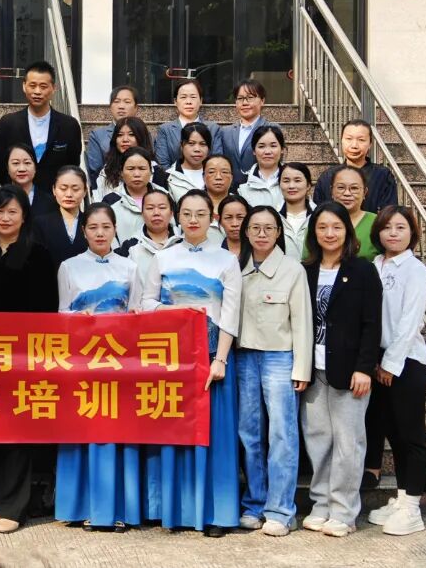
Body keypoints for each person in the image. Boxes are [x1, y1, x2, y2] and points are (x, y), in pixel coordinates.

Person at [140, 189, 241, 537]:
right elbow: (146, 303)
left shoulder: (226, 260)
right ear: (177, 217)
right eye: (187, 213)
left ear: (212, 218)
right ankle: (170, 510)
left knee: (214, 436)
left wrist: (221, 359)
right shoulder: (163, 258)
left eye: (201, 213)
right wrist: (179, 312)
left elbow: (230, 315)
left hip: (212, 356)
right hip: (170, 357)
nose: (193, 220)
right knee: (172, 430)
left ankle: (215, 513)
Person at [0, 185, 59, 534]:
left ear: (24, 216)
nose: (5, 218)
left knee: (18, 431)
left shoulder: (39, 255)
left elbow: (47, 310)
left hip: (24, 356)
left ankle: (14, 506)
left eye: (12, 212)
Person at [55, 203, 143, 533]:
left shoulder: (130, 267)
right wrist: (77, 319)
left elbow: (137, 313)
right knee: (83, 431)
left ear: (115, 229)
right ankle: (80, 507)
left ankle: (120, 509)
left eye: (106, 227)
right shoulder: (69, 267)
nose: (100, 233)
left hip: (119, 363)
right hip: (82, 361)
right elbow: (61, 314)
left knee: (118, 433)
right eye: (93, 227)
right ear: (84, 231)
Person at [301, 201, 383, 537]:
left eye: (336, 227)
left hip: (350, 371)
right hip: (313, 370)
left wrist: (364, 367)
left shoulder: (363, 271)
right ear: (314, 233)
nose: (329, 233)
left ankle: (344, 511)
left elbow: (372, 324)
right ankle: (321, 503)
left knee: (349, 442)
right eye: (322, 227)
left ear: (347, 232)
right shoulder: (305, 271)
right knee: (318, 440)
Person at [235, 205, 313, 537]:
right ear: (246, 232)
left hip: (280, 358)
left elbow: (303, 322)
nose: (262, 234)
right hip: (244, 357)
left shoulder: (292, 270)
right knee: (249, 433)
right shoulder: (236, 267)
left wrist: (302, 368)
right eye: (255, 227)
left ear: (279, 233)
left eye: (269, 228)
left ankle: (281, 509)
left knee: (282, 433)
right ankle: (254, 503)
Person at [363, 207, 426, 536]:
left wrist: (391, 364)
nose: (393, 233)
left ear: (412, 233)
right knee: (392, 431)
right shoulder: (375, 264)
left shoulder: (415, 270)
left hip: (406, 361)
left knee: (411, 434)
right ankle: (402, 497)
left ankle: (413, 507)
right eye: (387, 227)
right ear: (377, 232)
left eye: (401, 227)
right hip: (377, 358)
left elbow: (410, 321)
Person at [0, 61, 82, 192]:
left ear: (54, 88)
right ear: (24, 86)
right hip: (18, 197)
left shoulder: (69, 125)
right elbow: (1, 166)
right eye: (32, 85)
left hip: (55, 199)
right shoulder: (8, 123)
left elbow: (72, 166)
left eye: (43, 86)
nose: (37, 91)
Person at [313, 119, 399, 213]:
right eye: (349, 139)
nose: (354, 145)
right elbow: (318, 213)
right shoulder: (327, 176)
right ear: (341, 141)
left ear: (370, 144)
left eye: (361, 140)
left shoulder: (383, 175)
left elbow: (389, 214)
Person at [102, 147, 164, 245]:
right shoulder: (111, 201)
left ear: (151, 171)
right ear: (121, 172)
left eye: (142, 168)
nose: (137, 174)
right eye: (130, 169)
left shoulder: (164, 196)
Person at [154, 80, 221, 169]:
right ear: (175, 101)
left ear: (201, 100)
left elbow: (217, 161)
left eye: (193, 97)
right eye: (183, 97)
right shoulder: (165, 130)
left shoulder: (213, 128)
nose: (188, 102)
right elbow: (162, 164)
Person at [215, 79, 273, 180]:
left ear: (262, 101)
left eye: (250, 98)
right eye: (240, 98)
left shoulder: (271, 129)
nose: (245, 103)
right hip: (231, 187)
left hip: (260, 185)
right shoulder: (225, 132)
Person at [115, 189, 181, 278]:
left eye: (162, 208)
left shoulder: (183, 241)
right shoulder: (130, 248)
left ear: (171, 213)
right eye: (150, 208)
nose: (156, 213)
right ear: (142, 213)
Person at [95, 116, 166, 199]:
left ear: (141, 138)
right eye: (120, 135)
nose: (125, 139)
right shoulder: (107, 170)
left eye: (131, 134)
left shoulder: (156, 171)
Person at [32, 165, 89, 265]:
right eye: (63, 188)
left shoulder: (92, 222)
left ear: (85, 191)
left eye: (75, 189)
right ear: (54, 190)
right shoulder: (40, 224)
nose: (69, 194)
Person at [85, 86, 140, 185]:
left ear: (136, 108)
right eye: (116, 101)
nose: (121, 106)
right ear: (110, 107)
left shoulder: (144, 133)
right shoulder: (98, 135)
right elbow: (95, 169)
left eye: (127, 102)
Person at [330, 166, 381, 261]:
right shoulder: (319, 221)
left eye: (354, 188)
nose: (347, 193)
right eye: (341, 187)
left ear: (364, 192)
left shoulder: (378, 222)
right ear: (332, 191)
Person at [239, 125, 286, 210]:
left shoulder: (293, 178)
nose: (267, 152)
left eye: (273, 146)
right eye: (261, 146)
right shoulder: (242, 182)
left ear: (282, 149)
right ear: (254, 151)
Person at [4, 144, 57, 217]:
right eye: (16, 163)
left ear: (35, 168)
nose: (22, 169)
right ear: (7, 168)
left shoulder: (50, 202)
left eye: (27, 163)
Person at [166, 122, 211, 203]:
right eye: (191, 143)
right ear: (182, 146)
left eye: (203, 144)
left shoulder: (218, 175)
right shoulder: (168, 177)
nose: (197, 149)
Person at [279, 162, 315, 259]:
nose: (291, 186)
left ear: (308, 185)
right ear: (279, 185)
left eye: (297, 180)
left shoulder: (319, 216)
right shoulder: (272, 217)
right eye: (286, 181)